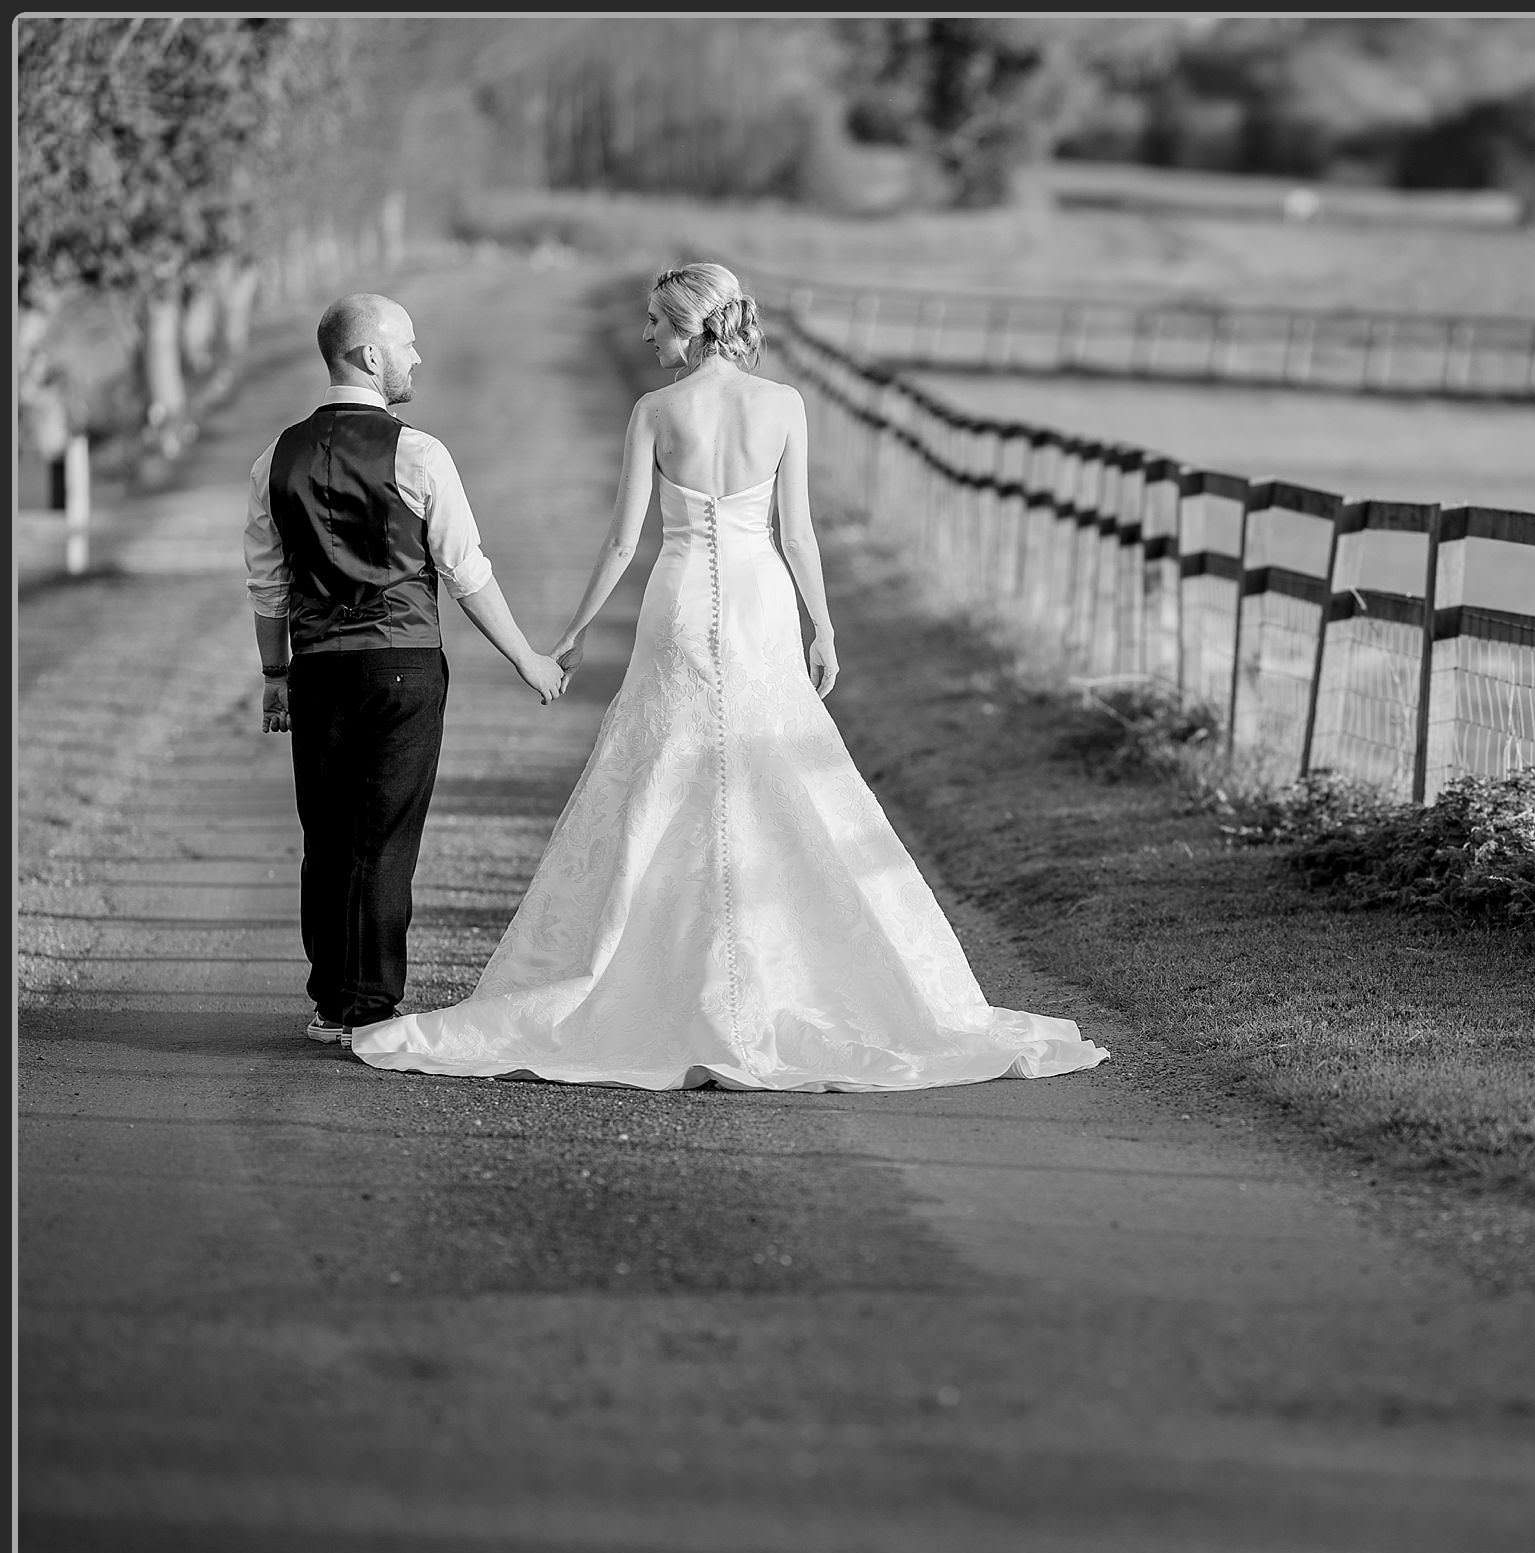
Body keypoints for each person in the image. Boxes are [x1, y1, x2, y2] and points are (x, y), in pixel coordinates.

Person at [349, 264, 1107, 1091]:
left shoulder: (655, 413)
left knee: (665, 772)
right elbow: (800, 536)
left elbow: (620, 543)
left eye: (656, 324)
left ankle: (651, 969)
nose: (646, 338)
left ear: (692, 326)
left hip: (677, 603)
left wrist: (567, 636)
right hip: (758, 601)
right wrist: (822, 622)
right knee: (771, 764)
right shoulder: (783, 405)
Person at [248, 293, 568, 1050]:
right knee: (384, 834)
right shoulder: (420, 454)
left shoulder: (274, 458)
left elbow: (268, 584)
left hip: (318, 669)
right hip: (403, 663)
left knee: (325, 832)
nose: (418, 357)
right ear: (366, 356)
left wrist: (273, 672)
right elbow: (466, 571)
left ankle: (332, 1000)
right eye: (407, 344)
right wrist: (527, 657)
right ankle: (371, 1005)